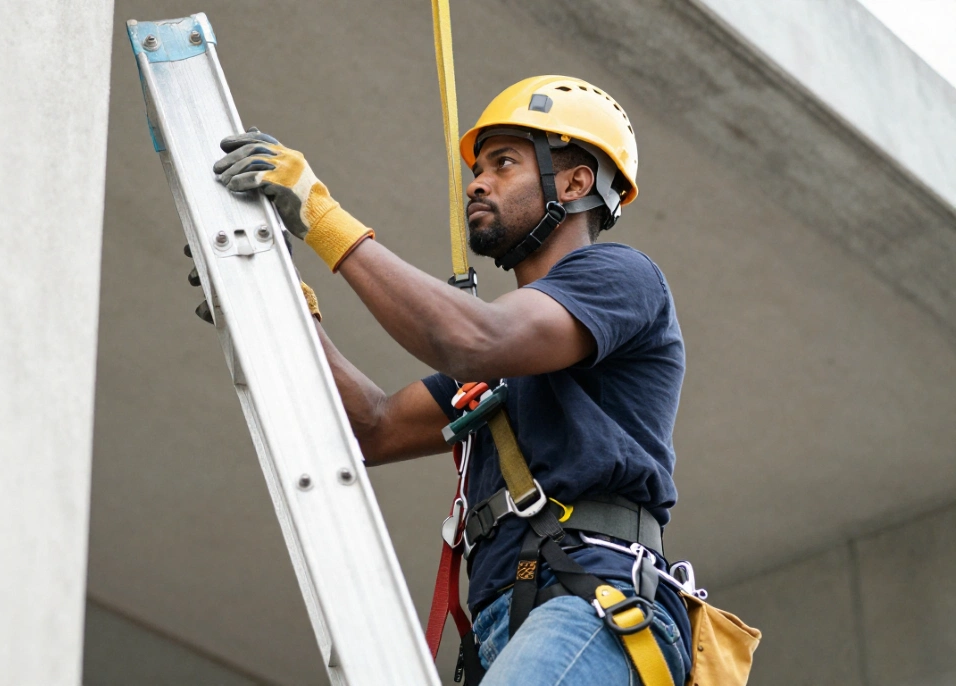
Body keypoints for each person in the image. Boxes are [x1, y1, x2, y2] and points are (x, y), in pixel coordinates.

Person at [209, 76, 692, 685]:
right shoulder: (502, 369)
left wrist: (319, 216)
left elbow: (473, 339)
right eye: (478, 167)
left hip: (592, 603)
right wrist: (280, 309)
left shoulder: (619, 276)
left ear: (574, 183)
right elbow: (373, 429)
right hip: (516, 618)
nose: (477, 182)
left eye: (504, 162)